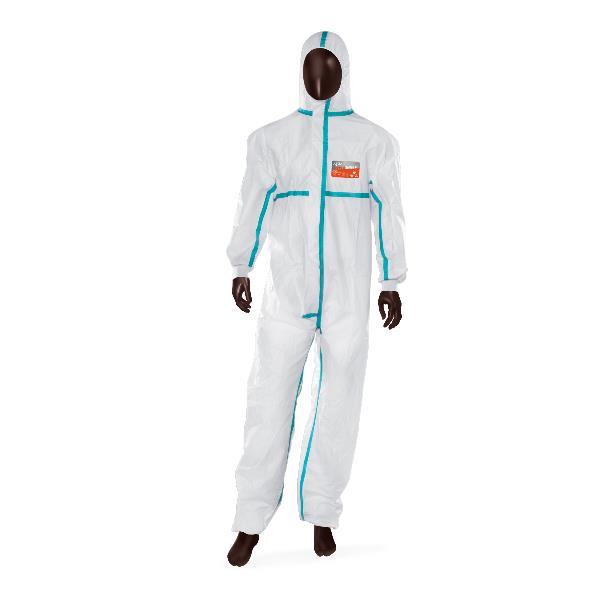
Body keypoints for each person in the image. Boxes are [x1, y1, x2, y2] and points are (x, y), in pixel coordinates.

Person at [226, 31, 407, 567]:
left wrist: (391, 281)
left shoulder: (373, 143)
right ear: (300, 70)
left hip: (347, 299)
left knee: (340, 405)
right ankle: (249, 520)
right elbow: (251, 205)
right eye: (312, 64)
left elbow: (390, 213)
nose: (320, 75)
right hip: (286, 297)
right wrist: (241, 265)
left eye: (330, 65)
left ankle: (323, 512)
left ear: (345, 71)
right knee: (266, 404)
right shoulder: (272, 141)